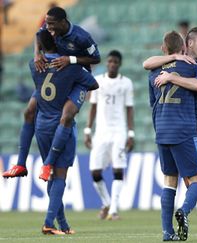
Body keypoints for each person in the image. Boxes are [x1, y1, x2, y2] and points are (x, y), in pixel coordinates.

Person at [2, 6, 100, 179]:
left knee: (67, 115)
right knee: (30, 110)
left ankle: (49, 164)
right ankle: (20, 164)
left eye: (52, 24)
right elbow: (38, 36)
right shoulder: (48, 28)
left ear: (63, 22)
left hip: (78, 79)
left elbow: (96, 58)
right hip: (57, 75)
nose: (49, 28)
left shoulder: (82, 37)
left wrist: (70, 59)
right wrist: (36, 54)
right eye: (47, 24)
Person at [146, 27, 197, 242]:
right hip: (186, 126)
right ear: (187, 45)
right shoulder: (181, 65)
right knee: (193, 181)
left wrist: (170, 77)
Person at [31, 29, 98, 235]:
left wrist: (37, 52)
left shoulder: (34, 65)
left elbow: (38, 34)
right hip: (62, 125)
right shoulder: (70, 68)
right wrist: (75, 64)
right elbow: (93, 83)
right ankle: (49, 223)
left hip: (41, 126)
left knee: (52, 176)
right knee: (60, 175)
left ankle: (63, 223)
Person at [84, 50, 134, 221]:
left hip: (119, 131)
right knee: (95, 172)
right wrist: (88, 130)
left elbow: (129, 109)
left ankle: (113, 209)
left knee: (118, 170)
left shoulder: (126, 83)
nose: (112, 64)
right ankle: (106, 202)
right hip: (101, 132)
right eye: (110, 61)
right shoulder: (97, 82)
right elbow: (93, 107)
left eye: (115, 61)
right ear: (107, 63)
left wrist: (131, 133)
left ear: (119, 64)